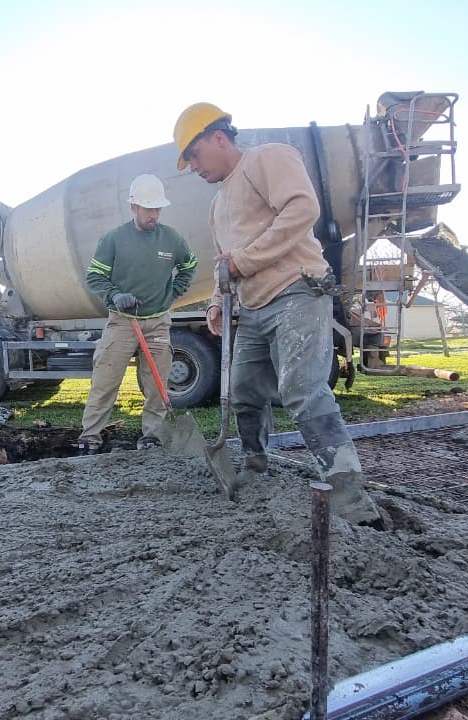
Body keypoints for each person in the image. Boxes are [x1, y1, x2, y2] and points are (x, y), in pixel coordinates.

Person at [173, 102, 382, 525]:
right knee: (245, 391)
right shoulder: (217, 206)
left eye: (193, 154)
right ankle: (255, 467)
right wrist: (216, 299)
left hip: (296, 291)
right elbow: (225, 261)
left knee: (302, 389)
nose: (193, 165)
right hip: (252, 308)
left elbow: (302, 210)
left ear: (218, 136)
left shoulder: (266, 159)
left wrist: (244, 261)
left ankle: (351, 499)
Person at [77, 173, 198, 454]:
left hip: (157, 323)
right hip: (123, 322)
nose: (153, 214)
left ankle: (152, 436)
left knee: (157, 383)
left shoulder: (171, 239)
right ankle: (90, 437)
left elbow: (190, 265)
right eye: (148, 209)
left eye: (157, 209)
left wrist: (174, 291)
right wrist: (114, 296)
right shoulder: (114, 239)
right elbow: (94, 276)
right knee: (105, 380)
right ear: (133, 207)